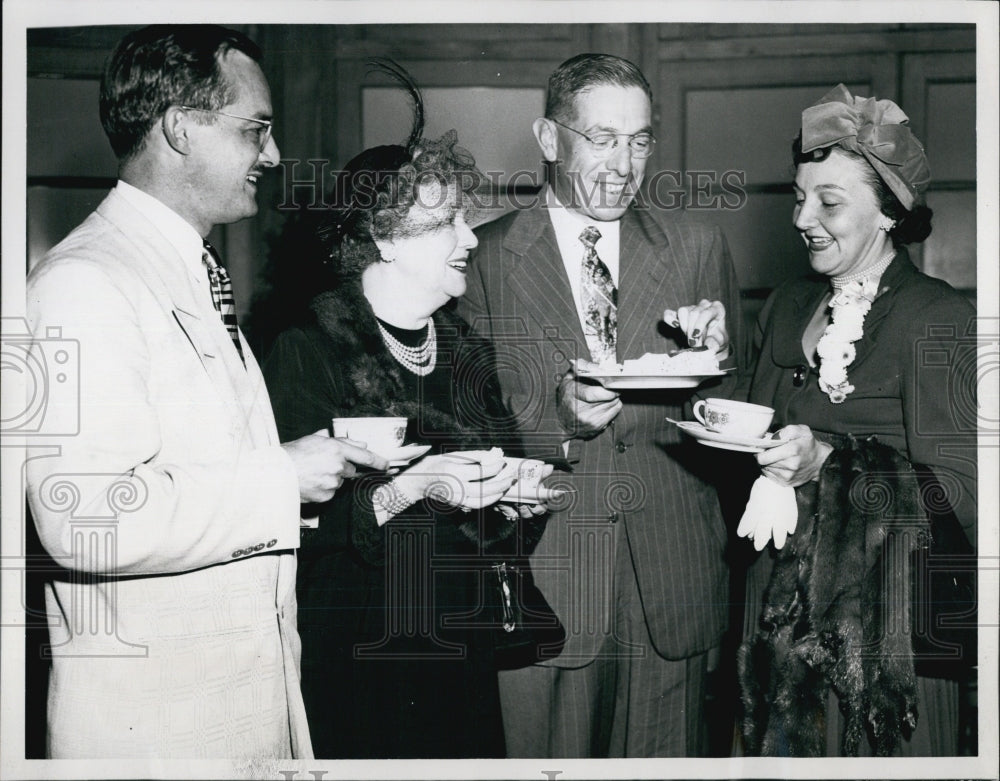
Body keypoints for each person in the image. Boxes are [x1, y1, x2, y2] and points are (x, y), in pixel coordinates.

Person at [24, 25, 388, 759]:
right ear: (180, 128)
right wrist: (281, 477)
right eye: (256, 130)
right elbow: (82, 517)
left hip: (229, 714)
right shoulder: (83, 282)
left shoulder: (189, 270)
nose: (275, 155)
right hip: (157, 735)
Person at [456, 52, 748, 757]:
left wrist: (712, 367)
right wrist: (555, 421)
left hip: (669, 589)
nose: (623, 164)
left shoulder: (697, 247)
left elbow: (736, 415)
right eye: (602, 138)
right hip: (544, 582)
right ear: (551, 139)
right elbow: (458, 429)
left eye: (639, 140)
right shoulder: (481, 258)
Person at [262, 65, 557, 759]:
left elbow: (493, 527)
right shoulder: (307, 352)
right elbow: (284, 523)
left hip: (461, 658)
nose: (471, 238)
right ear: (385, 237)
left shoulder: (466, 354)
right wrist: (412, 487)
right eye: (448, 221)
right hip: (361, 664)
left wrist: (513, 503)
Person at [736, 84, 977, 756]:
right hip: (774, 632)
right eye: (799, 195)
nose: (802, 217)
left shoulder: (935, 317)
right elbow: (751, 433)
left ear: (889, 213)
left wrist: (832, 460)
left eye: (829, 201)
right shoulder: (786, 306)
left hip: (882, 644)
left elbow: (966, 492)